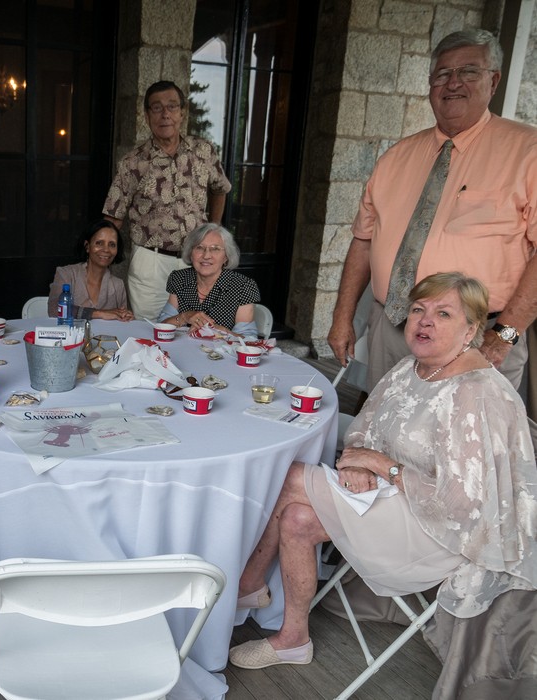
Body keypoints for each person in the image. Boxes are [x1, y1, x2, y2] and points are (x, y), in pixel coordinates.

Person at [230, 273, 537, 694]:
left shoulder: (474, 392)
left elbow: (462, 505)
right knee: (299, 517)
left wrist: (382, 465)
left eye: (443, 314)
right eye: (418, 310)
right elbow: (366, 425)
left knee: (291, 478)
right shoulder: (413, 368)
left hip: (440, 538)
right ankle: (292, 639)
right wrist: (360, 463)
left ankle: (248, 582)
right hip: (394, 504)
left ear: (471, 330)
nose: (424, 322)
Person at [328, 29, 537, 391]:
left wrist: (506, 333)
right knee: (383, 434)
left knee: (461, 445)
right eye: (442, 74)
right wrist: (342, 317)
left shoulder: (528, 152)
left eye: (469, 72)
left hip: (475, 337)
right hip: (392, 327)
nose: (453, 83)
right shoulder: (396, 157)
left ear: (494, 80)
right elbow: (363, 241)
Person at [102, 80, 231, 321]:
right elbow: (113, 216)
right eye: (157, 108)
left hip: (197, 262)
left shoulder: (203, 151)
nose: (165, 114)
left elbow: (220, 188)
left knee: (198, 331)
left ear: (183, 112)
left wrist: (214, 231)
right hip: (151, 264)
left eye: (172, 107)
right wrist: (99, 259)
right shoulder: (133, 162)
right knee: (151, 333)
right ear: (146, 115)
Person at [159, 223, 260, 337]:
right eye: (199, 247)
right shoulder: (179, 278)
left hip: (221, 353)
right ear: (191, 254)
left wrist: (221, 332)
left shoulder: (243, 286)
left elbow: (249, 340)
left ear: (226, 256)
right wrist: (184, 317)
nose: (206, 255)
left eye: (215, 249)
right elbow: (162, 325)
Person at [47, 220, 134, 321]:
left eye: (112, 245)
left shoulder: (118, 285)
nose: (106, 249)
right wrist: (98, 313)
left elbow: (121, 323)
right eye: (99, 243)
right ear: (87, 246)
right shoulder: (66, 274)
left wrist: (125, 316)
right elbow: (53, 309)